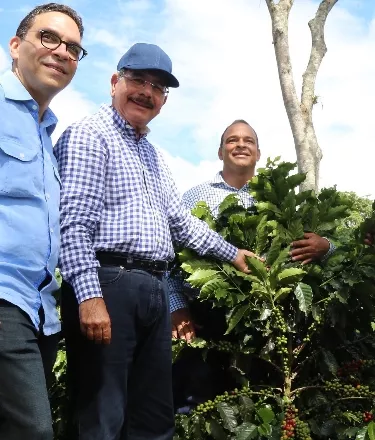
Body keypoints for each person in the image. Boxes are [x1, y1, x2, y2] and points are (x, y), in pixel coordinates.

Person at [54, 44, 256, 440]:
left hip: (153, 289)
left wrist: (235, 255)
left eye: (158, 87)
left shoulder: (154, 155)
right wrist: (89, 296)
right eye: (138, 80)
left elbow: (180, 224)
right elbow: (73, 223)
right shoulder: (89, 136)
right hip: (109, 283)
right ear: (115, 82)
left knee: (153, 418)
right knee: (103, 415)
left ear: (163, 101)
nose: (147, 91)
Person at [169, 119, 335, 410]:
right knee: (196, 404)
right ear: (220, 152)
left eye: (248, 141)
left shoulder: (279, 198)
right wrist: (176, 305)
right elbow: (171, 258)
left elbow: (312, 244)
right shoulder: (195, 196)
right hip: (205, 318)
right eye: (232, 140)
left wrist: (326, 246)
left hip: (268, 324)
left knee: (262, 405)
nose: (240, 145)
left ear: (258, 152)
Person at [0, 3, 86, 440]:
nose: (61, 52)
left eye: (73, 47)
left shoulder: (47, 132)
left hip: (40, 312)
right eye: (49, 38)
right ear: (15, 46)